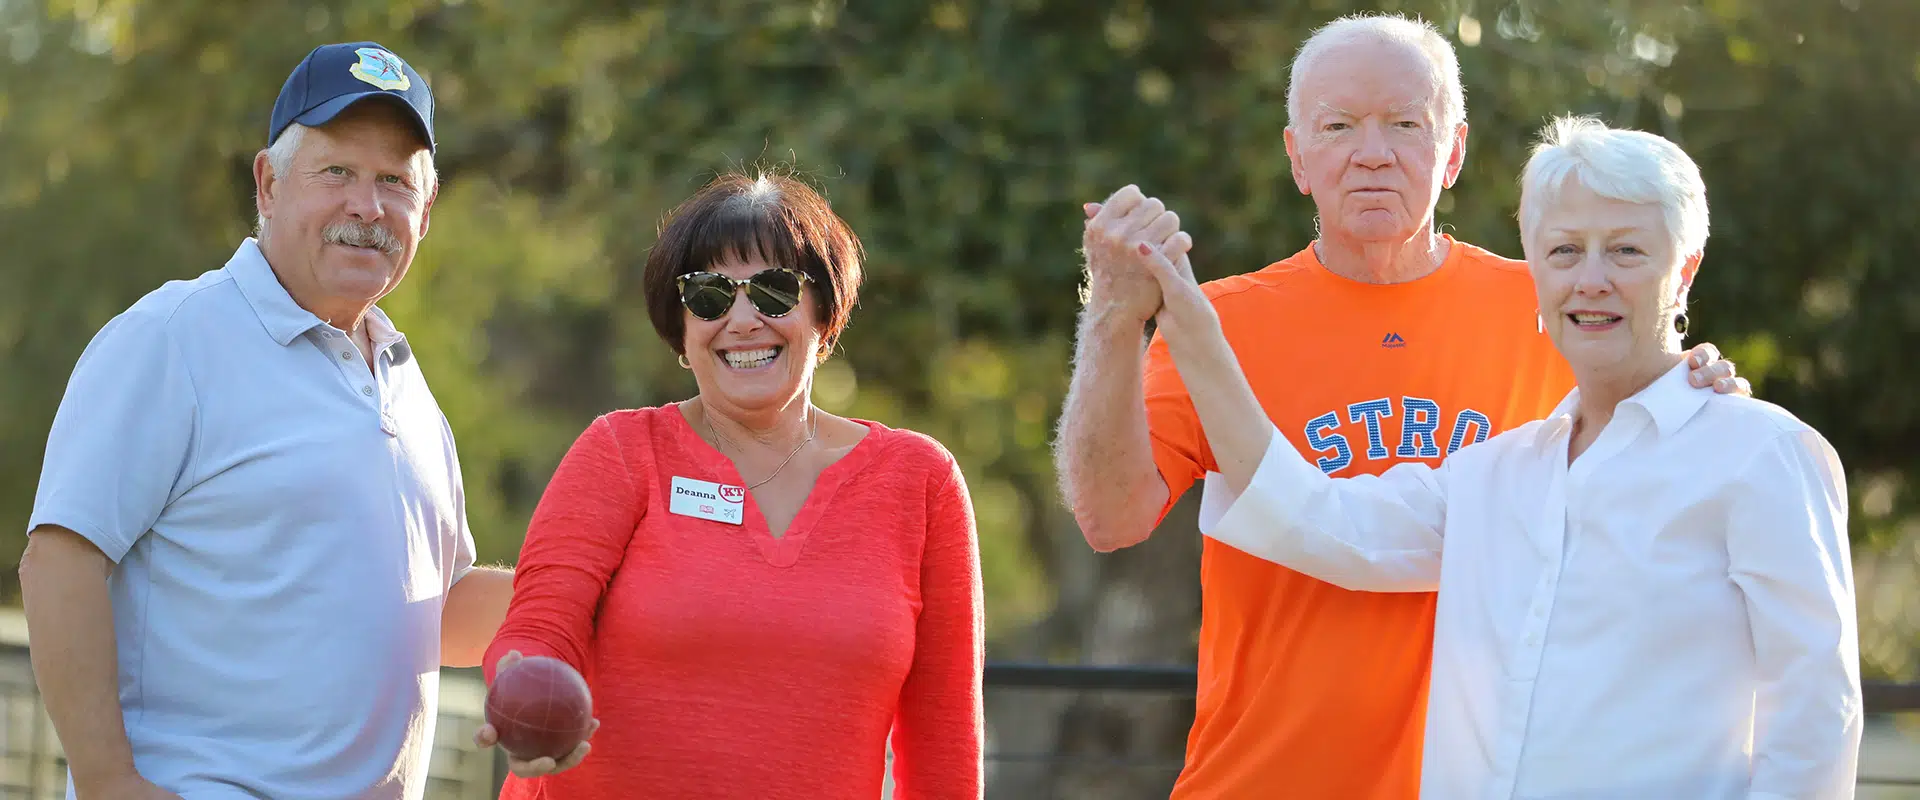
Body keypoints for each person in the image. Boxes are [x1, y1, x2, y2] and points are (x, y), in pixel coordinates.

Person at [1054, 14, 1752, 798]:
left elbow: (1660, 426)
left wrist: (1698, 379)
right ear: (1298, 158)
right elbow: (1108, 517)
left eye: (1405, 124)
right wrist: (1113, 317)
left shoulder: (1554, 308)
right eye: (1340, 125)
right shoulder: (1219, 323)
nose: (1373, 152)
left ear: (1453, 151)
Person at [1126, 114, 1862, 799]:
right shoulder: (1495, 472)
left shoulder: (1763, 454)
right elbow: (1317, 522)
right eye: (1565, 251)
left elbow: (1815, 716)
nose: (1592, 278)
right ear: (1535, 274)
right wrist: (1193, 334)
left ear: (1686, 269)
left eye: (1627, 250)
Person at [17, 42, 516, 799]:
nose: (367, 206)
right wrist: (109, 782)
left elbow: (436, 616)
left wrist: (599, 588)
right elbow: (59, 562)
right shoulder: (173, 337)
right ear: (269, 182)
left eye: (393, 182)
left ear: (428, 204)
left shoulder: (410, 391)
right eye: (337, 172)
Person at [476, 171, 986, 798]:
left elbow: (945, 752)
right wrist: (523, 691)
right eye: (710, 296)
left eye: (774, 291)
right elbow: (540, 625)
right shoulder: (622, 451)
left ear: (823, 316)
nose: (743, 319)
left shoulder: (920, 481)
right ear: (682, 332)